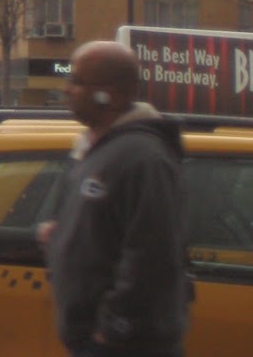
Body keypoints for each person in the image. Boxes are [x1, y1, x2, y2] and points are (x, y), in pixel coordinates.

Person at [41, 39, 190, 357]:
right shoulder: (95, 149)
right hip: (95, 341)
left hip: (126, 346)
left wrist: (115, 329)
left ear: (110, 94)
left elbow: (153, 254)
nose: (67, 90)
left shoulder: (143, 158)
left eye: (77, 81)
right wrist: (59, 235)